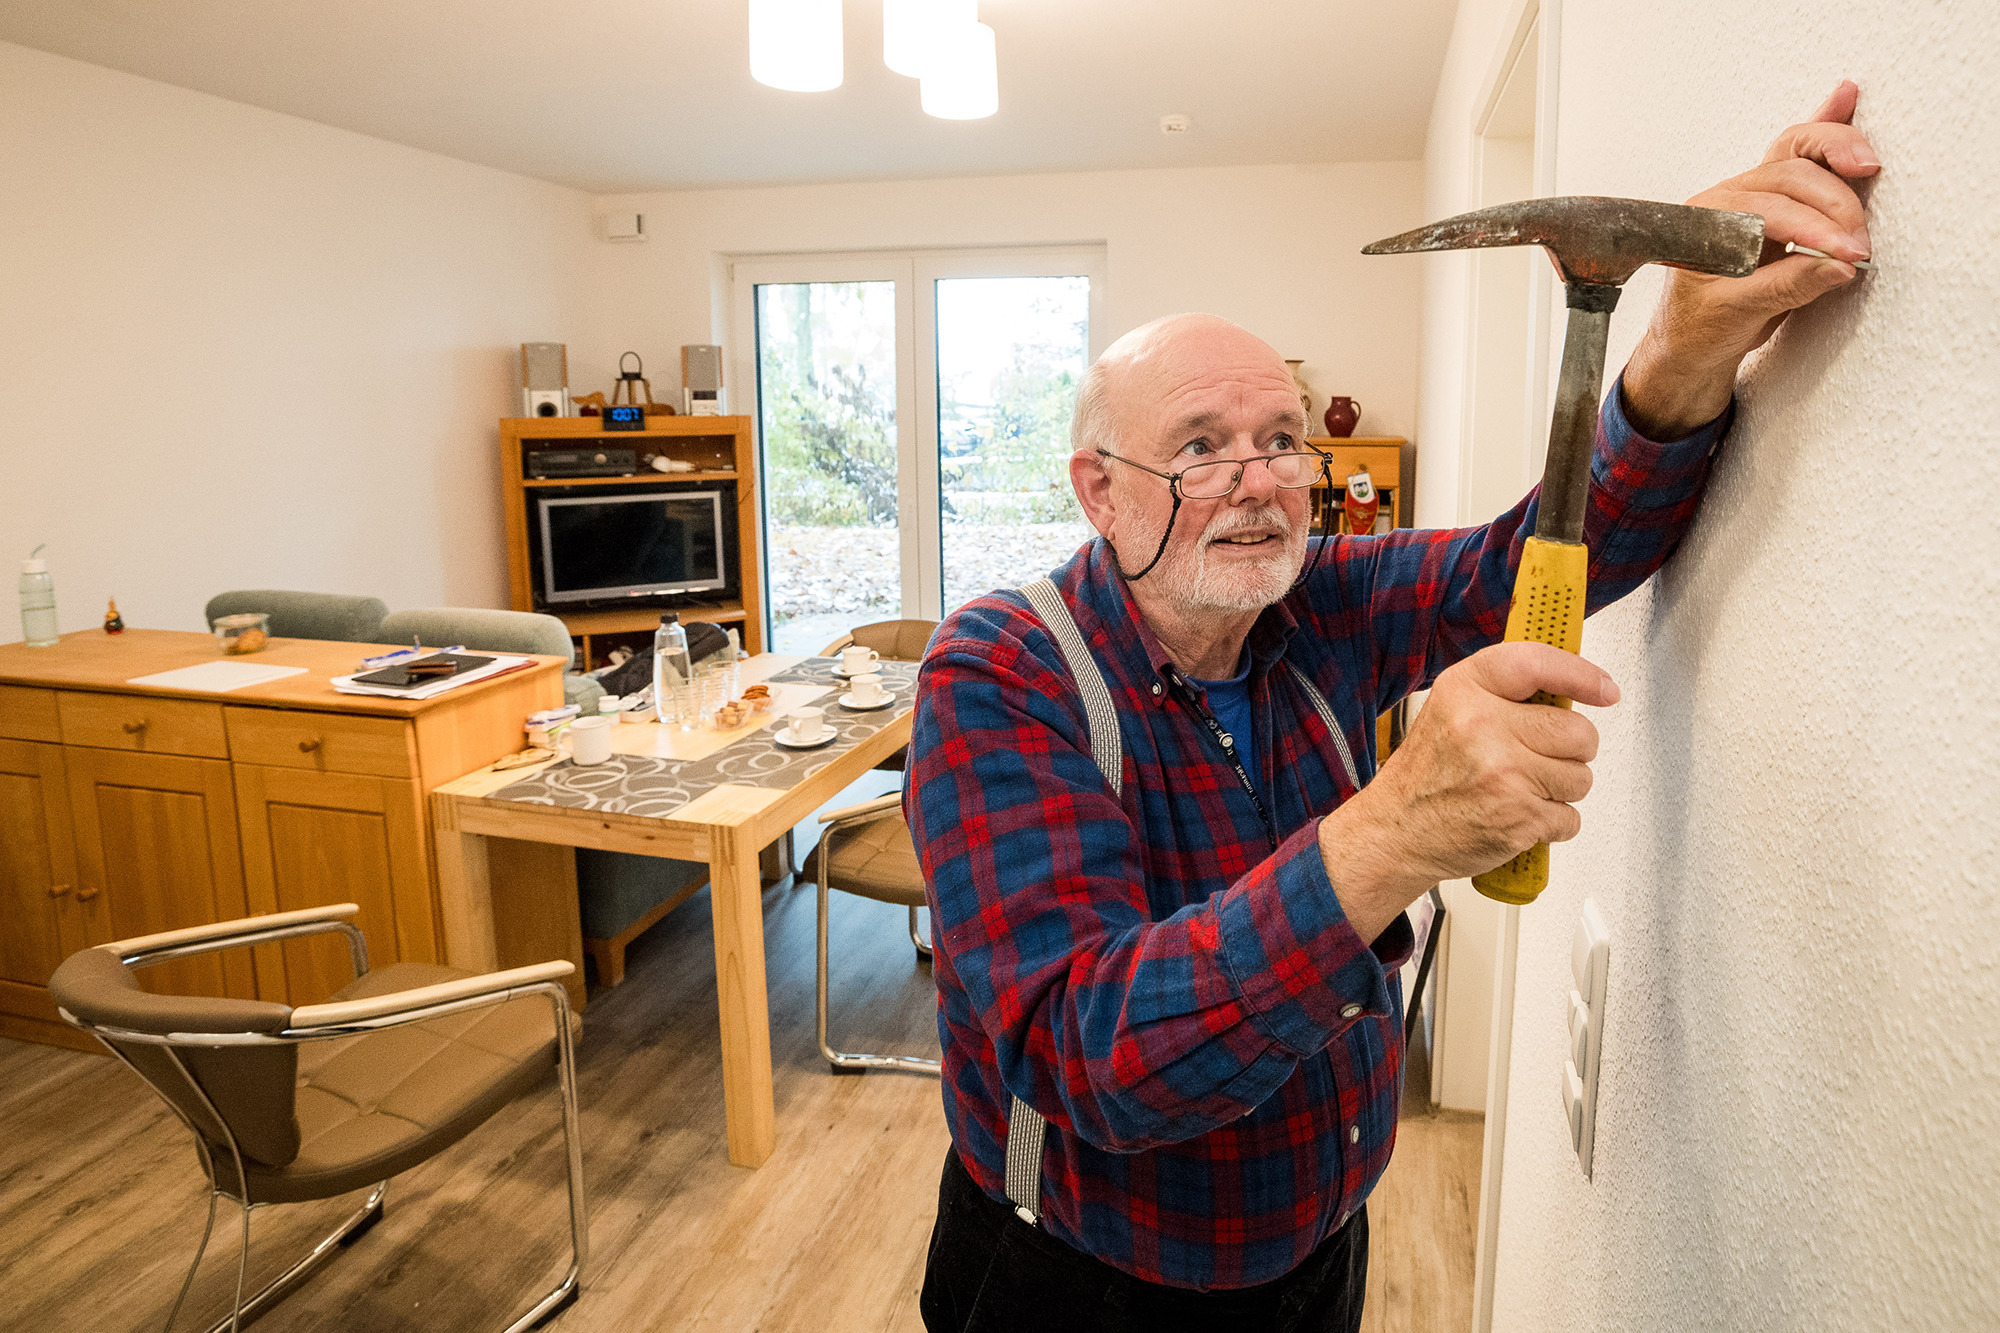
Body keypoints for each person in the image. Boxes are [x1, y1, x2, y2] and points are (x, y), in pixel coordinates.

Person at [905, 84, 1880, 1332]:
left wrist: (1683, 343)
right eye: (1200, 447)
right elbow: (1086, 1056)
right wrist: (1392, 832)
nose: (1259, 482)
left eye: (1281, 439)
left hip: (1321, 1240)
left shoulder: (1316, 601)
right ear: (1099, 489)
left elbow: (1552, 558)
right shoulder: (1001, 668)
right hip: (1087, 1280)